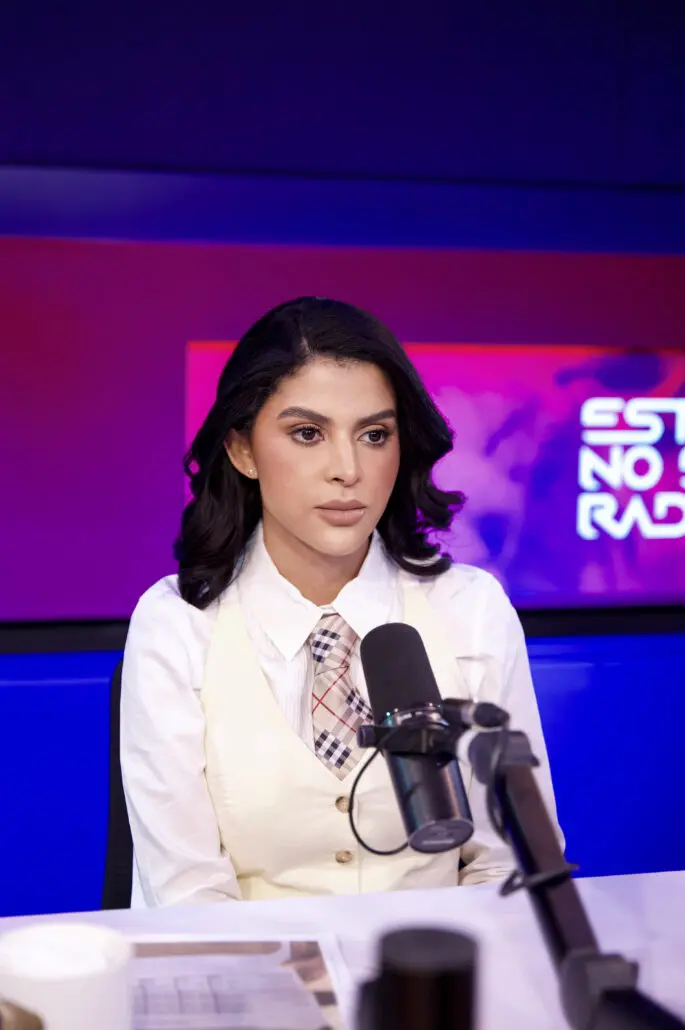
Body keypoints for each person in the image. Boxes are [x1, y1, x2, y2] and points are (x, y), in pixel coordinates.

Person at [121, 296, 562, 907]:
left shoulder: (471, 608)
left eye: (374, 435)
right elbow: (186, 896)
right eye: (308, 434)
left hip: (438, 959)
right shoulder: (177, 623)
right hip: (250, 964)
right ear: (242, 449)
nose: (347, 469)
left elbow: (507, 865)